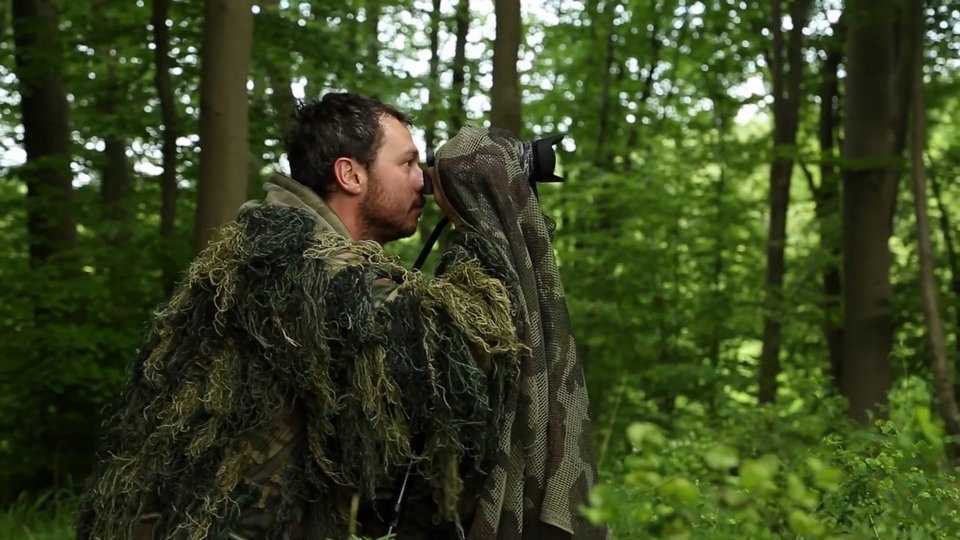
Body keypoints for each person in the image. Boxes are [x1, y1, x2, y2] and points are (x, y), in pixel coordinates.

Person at [77, 92, 603, 539]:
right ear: (350, 173)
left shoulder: (276, 246)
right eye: (408, 163)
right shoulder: (299, 263)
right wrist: (482, 210)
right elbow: (463, 355)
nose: (424, 181)